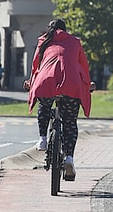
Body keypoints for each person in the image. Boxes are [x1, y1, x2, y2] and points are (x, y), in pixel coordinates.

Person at [26, 18, 92, 181]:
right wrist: (88, 84)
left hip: (46, 81)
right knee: (69, 122)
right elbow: (83, 66)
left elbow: (36, 66)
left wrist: (31, 82)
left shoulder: (43, 41)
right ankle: (69, 158)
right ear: (65, 29)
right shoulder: (75, 42)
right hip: (71, 84)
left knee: (44, 105)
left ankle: (42, 139)